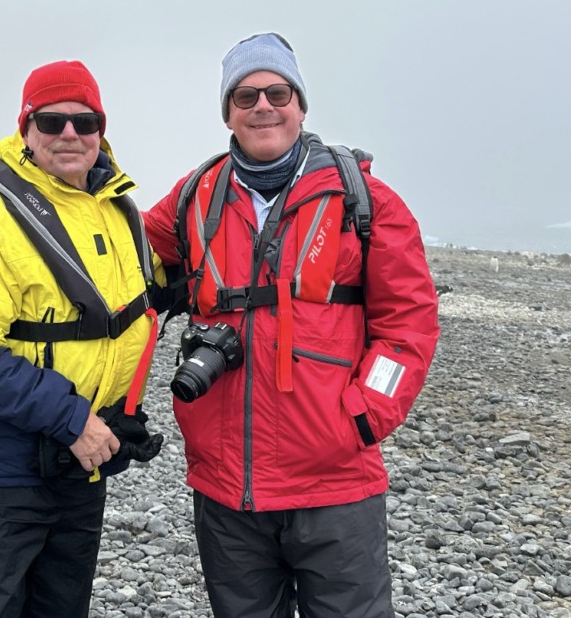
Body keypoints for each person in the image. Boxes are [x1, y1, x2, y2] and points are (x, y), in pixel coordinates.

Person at [143, 33, 440, 618]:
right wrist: (90, 195)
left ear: (300, 104)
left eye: (277, 92)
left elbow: (408, 327)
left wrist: (365, 414)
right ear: (227, 111)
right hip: (226, 486)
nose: (263, 106)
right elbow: (121, 265)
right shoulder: (193, 198)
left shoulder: (367, 201)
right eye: (245, 95)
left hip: (335, 485)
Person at [0, 60, 163, 617]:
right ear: (25, 129)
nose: (69, 135)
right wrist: (73, 418)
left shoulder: (117, 212)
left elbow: (134, 313)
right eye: (52, 121)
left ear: (101, 129)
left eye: (85, 122)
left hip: (78, 470)